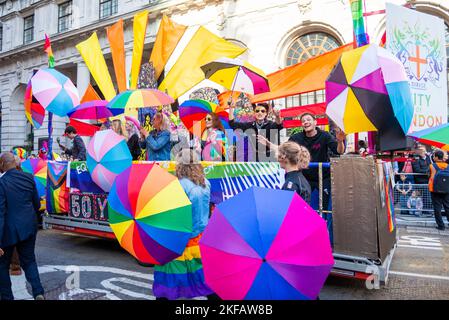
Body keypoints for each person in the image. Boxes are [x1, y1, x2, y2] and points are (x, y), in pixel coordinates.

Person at [153, 149, 216, 300]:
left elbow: (174, 215)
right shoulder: (205, 183)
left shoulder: (179, 186)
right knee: (205, 279)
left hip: (180, 241)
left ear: (180, 165)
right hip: (200, 240)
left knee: (168, 282)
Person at [0, 152, 45, 300]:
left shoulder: (2, 182)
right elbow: (37, 204)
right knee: (29, 260)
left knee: (2, 265)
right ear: (15, 163)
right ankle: (38, 292)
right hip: (29, 226)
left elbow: (1, 213)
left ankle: (7, 297)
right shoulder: (29, 177)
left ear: (2, 165)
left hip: (9, 230)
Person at [429, 150, 449, 231]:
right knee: (447, 207)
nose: (433, 157)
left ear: (437, 157)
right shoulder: (448, 166)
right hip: (447, 189)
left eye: (434, 156)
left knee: (437, 208)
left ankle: (441, 226)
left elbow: (428, 175)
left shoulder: (432, 166)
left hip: (435, 189)